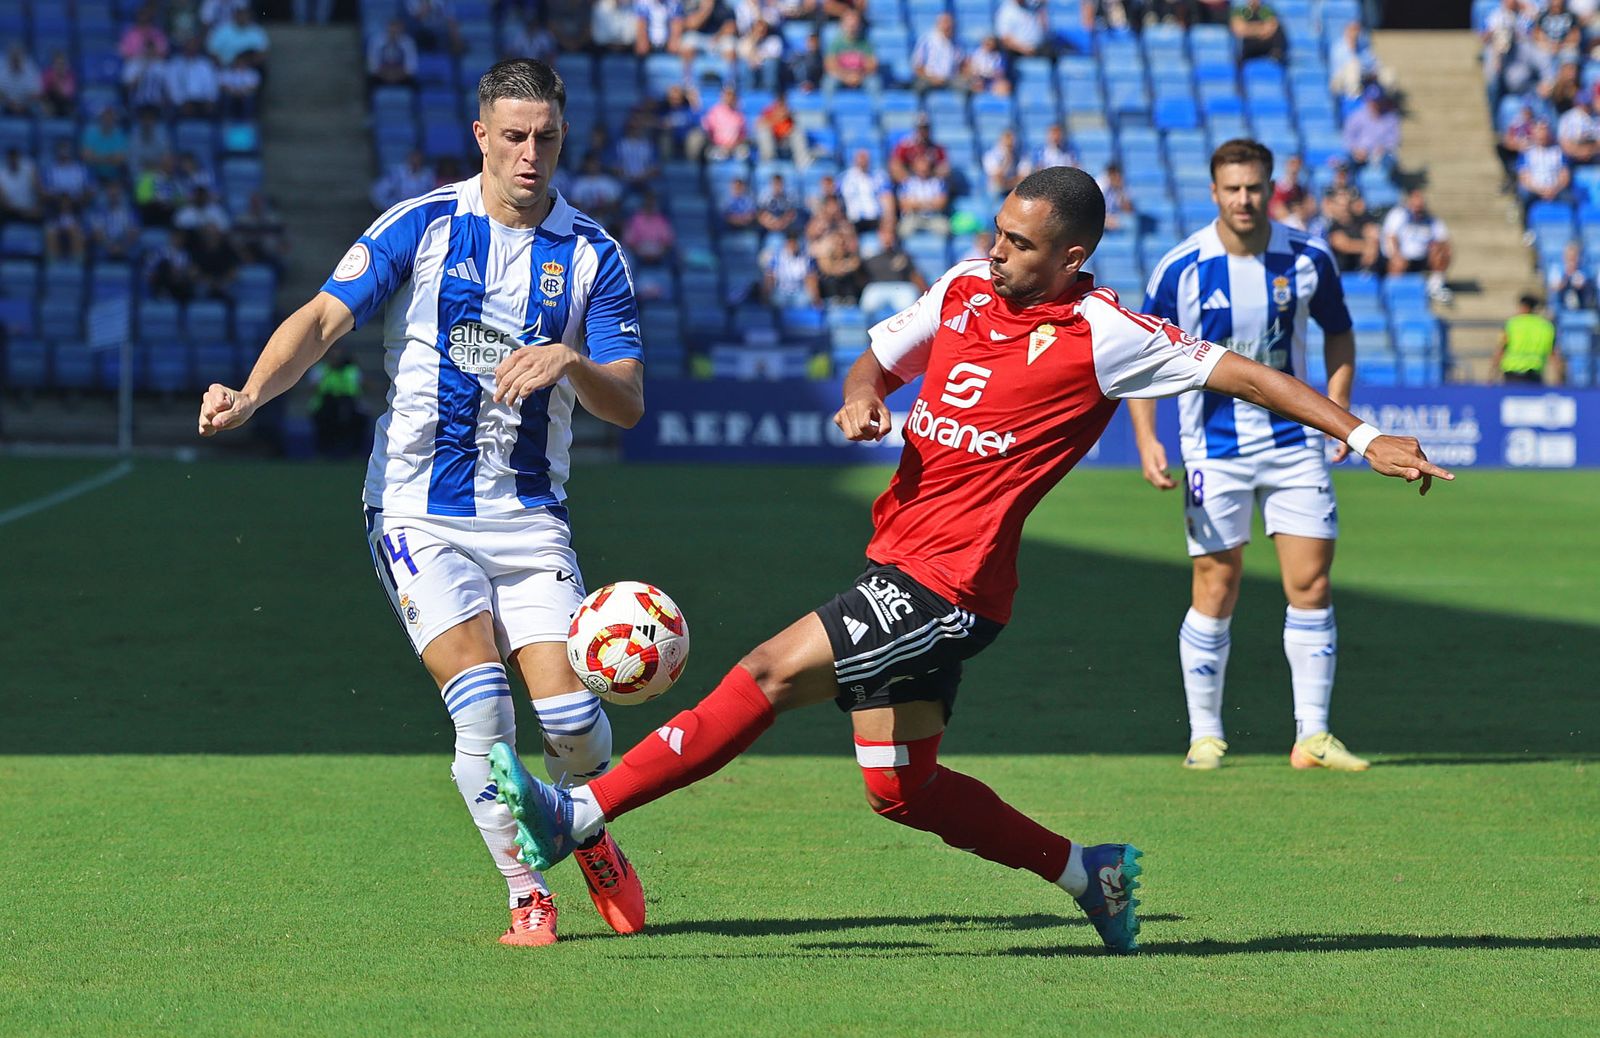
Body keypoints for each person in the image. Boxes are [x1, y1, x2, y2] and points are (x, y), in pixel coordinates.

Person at [483, 166, 1450, 956]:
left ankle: (581, 810)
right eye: (998, 231)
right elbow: (878, 358)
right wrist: (863, 396)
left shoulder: (1104, 333)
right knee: (901, 789)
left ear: (1072, 257)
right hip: (900, 558)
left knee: (769, 671)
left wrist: (1364, 437)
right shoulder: (962, 288)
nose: (998, 250)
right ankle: (1090, 872)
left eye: (1021, 244)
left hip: (949, 584)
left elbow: (1249, 374)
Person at [196, 58, 650, 949]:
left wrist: (573, 363)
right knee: (481, 705)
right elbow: (326, 318)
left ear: (564, 136)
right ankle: (529, 892)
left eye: (546, 137)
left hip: (528, 517)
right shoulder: (424, 224)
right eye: (513, 137)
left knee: (572, 725)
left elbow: (627, 400)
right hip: (415, 509)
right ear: (480, 134)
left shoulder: (593, 253)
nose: (530, 154)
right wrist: (252, 393)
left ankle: (582, 819)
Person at [1135, 139, 1366, 773]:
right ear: (1214, 192)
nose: (1244, 199)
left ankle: (1312, 736)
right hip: (1214, 448)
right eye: (1233, 188)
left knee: (1311, 583)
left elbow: (1339, 333)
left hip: (1295, 447)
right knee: (1217, 583)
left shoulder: (1309, 257)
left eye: (1255, 187)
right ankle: (1205, 734)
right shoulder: (1180, 268)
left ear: (1271, 189)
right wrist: (1148, 437)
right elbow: (1140, 354)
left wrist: (1340, 415)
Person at [1382, 188, 1453, 304]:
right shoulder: (1398, 215)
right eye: (1415, 206)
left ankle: (1435, 286)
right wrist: (1396, 255)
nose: (1418, 209)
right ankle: (1393, 293)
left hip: (1423, 258)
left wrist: (1437, 248)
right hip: (1402, 257)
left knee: (1442, 252)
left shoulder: (1432, 220)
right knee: (1397, 262)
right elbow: (1390, 237)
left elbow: (1444, 241)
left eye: (1420, 206)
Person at [1497, 293, 1564, 384]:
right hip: (1534, 374)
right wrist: (1559, 378)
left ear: (1524, 307)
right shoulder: (1546, 326)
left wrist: (1492, 374)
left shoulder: (1512, 324)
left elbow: (1500, 350)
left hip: (1512, 374)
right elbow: (1554, 354)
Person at [1230, 0, 1287, 64]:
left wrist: (1247, 28)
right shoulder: (1241, 10)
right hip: (1247, 47)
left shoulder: (1265, 10)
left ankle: (1277, 55)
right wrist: (1260, 29)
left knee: (1279, 29)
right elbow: (1238, 29)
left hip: (1264, 44)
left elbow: (1271, 28)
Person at [1547, 240, 1596, 311]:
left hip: (1581, 303)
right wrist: (1566, 278)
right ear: (1564, 256)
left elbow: (1581, 284)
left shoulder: (1584, 269)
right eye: (1569, 256)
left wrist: (1575, 277)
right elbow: (1554, 286)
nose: (1571, 259)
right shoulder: (1557, 269)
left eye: (1574, 257)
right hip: (1561, 303)